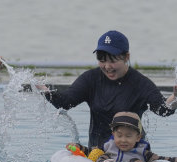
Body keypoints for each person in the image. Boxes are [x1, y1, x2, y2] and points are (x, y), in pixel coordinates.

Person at [42, 30, 177, 151]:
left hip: (133, 155)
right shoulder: (91, 79)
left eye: (112, 61)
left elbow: (163, 109)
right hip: (97, 154)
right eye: (102, 60)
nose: (107, 66)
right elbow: (65, 102)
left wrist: (175, 97)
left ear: (126, 57)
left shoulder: (140, 83)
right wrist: (43, 89)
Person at [94, 112, 177, 162]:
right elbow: (89, 150)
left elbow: (161, 159)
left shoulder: (141, 150)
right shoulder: (108, 146)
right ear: (113, 135)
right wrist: (80, 147)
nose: (123, 140)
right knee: (104, 156)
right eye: (119, 136)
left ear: (138, 138)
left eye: (128, 136)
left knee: (136, 160)